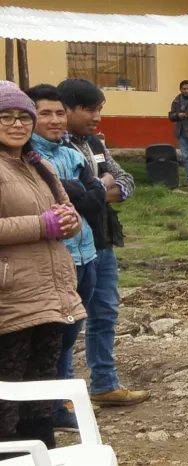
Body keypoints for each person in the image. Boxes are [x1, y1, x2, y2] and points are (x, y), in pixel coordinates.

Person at [0, 80, 84, 453]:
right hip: (10, 297)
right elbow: (40, 221)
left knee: (41, 389)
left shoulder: (39, 165)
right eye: (6, 117)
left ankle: (40, 453)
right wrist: (41, 225)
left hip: (51, 295)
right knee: (9, 390)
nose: (17, 125)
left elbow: (67, 211)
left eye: (23, 117)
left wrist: (70, 220)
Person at [55, 78, 146, 411]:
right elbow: (63, 197)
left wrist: (93, 191)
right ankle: (62, 398)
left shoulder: (94, 143)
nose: (96, 117)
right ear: (65, 109)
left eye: (99, 110)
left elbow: (126, 181)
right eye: (89, 109)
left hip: (102, 240)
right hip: (69, 247)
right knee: (67, 321)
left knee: (104, 313)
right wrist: (97, 189)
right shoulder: (51, 147)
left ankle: (104, 384)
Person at [25, 84, 106, 429]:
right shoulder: (29, 158)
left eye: (59, 113)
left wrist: (85, 190)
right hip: (57, 260)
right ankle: (51, 409)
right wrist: (85, 190)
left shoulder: (73, 153)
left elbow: (96, 197)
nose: (55, 120)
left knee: (71, 334)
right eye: (45, 113)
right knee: (53, 339)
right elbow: (75, 198)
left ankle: (57, 405)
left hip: (86, 253)